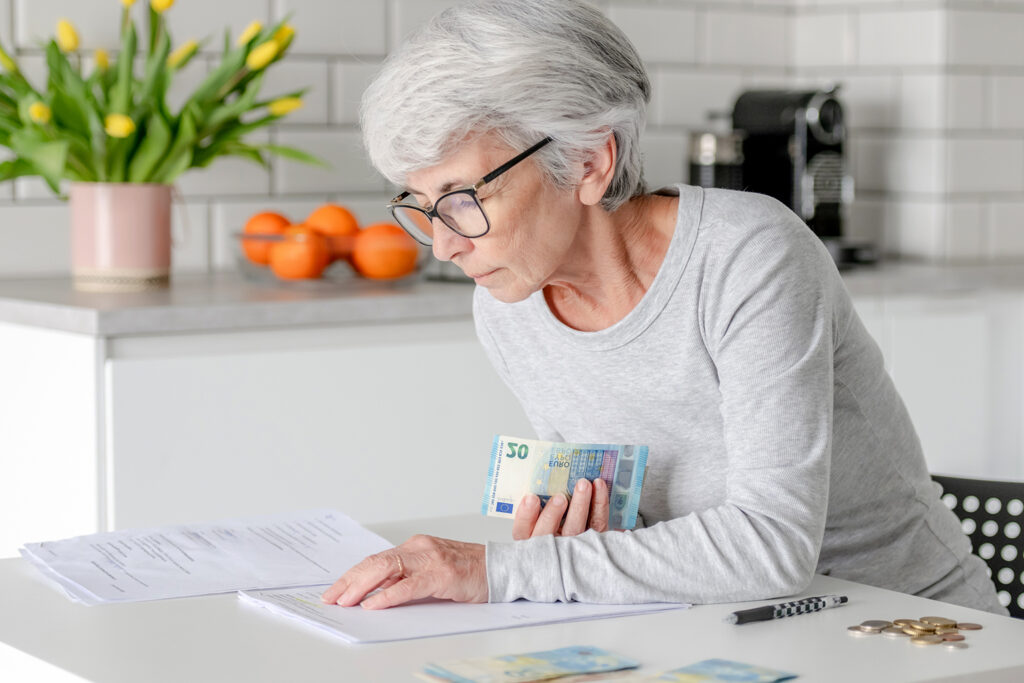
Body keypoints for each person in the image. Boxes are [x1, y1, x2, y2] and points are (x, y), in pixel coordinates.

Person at [320, 0, 1006, 615]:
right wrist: (579, 536)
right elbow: (633, 535)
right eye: (421, 205)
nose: (442, 244)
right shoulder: (508, 305)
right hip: (730, 628)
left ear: (588, 161)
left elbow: (771, 544)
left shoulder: (748, 257)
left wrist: (503, 569)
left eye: (462, 198)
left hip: (916, 632)